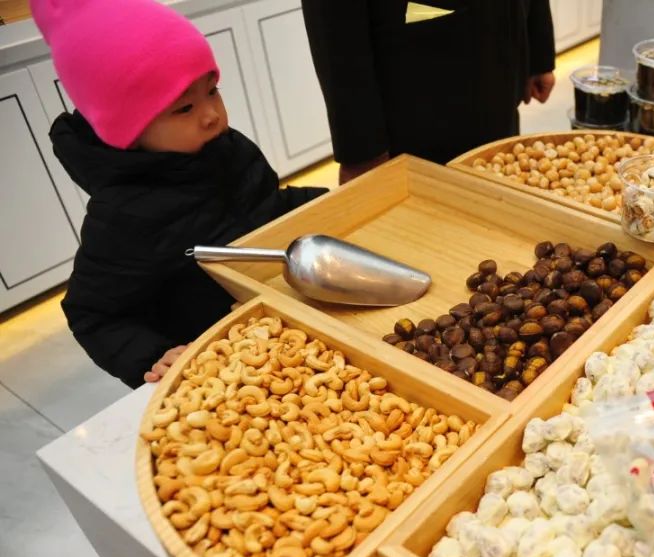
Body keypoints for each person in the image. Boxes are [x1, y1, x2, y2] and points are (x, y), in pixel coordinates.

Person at [31, 0, 327, 388]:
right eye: (185, 107)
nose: (212, 114)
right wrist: (153, 355)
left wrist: (333, 202)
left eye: (213, 90)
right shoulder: (124, 216)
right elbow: (94, 315)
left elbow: (268, 206)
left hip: (286, 321)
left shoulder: (229, 148)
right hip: (221, 363)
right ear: (127, 128)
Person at [300, 1, 556, 183]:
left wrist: (538, 48)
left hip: (500, 73)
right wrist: (361, 151)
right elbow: (332, 23)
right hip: (417, 98)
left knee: (501, 189)